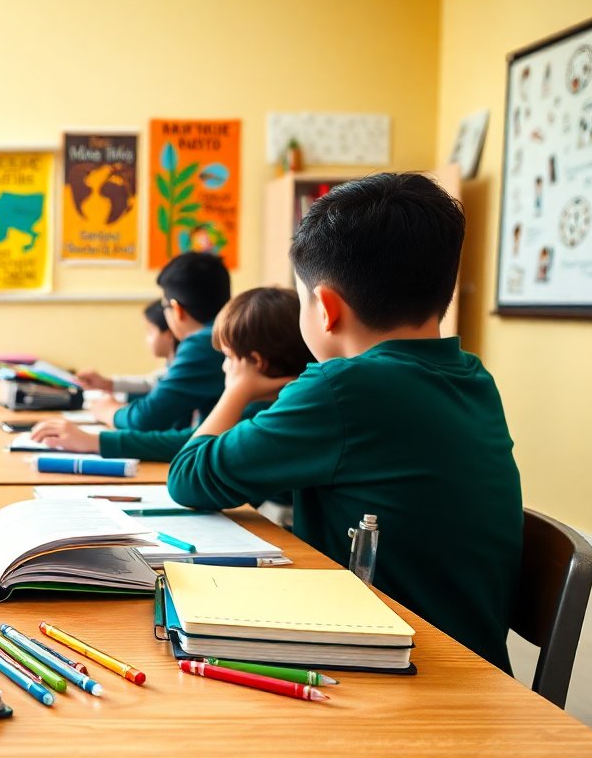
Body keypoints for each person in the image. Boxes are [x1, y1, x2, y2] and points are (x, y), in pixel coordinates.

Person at [166, 173, 522, 671]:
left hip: (404, 669)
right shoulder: (471, 377)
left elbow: (189, 478)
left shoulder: (343, 388)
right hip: (470, 664)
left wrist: (236, 387)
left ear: (326, 309)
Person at [34, 288, 312, 465]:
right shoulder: (282, 401)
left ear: (256, 362)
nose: (223, 367)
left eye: (227, 357)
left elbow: (188, 470)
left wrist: (96, 442)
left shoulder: (265, 416)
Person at [86, 252, 230, 430]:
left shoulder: (203, 343)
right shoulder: (225, 334)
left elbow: (146, 418)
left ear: (177, 309)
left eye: (164, 306)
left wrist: (109, 411)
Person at [76, 300, 175, 396]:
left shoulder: (179, 371)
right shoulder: (169, 367)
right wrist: (105, 383)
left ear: (169, 334)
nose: (146, 339)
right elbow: (149, 383)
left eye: (150, 332)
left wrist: (113, 409)